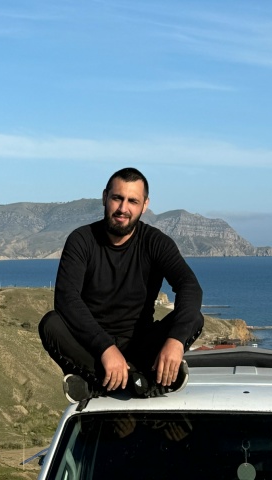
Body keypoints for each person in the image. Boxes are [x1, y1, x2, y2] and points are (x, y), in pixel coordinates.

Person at [39, 167, 204, 404]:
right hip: (93, 349)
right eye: (117, 198)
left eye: (132, 201)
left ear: (144, 205)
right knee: (51, 324)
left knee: (193, 318)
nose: (123, 208)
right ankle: (143, 382)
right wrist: (105, 348)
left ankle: (95, 384)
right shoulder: (81, 240)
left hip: (141, 346)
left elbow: (189, 286)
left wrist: (175, 341)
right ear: (105, 197)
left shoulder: (156, 242)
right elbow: (66, 299)